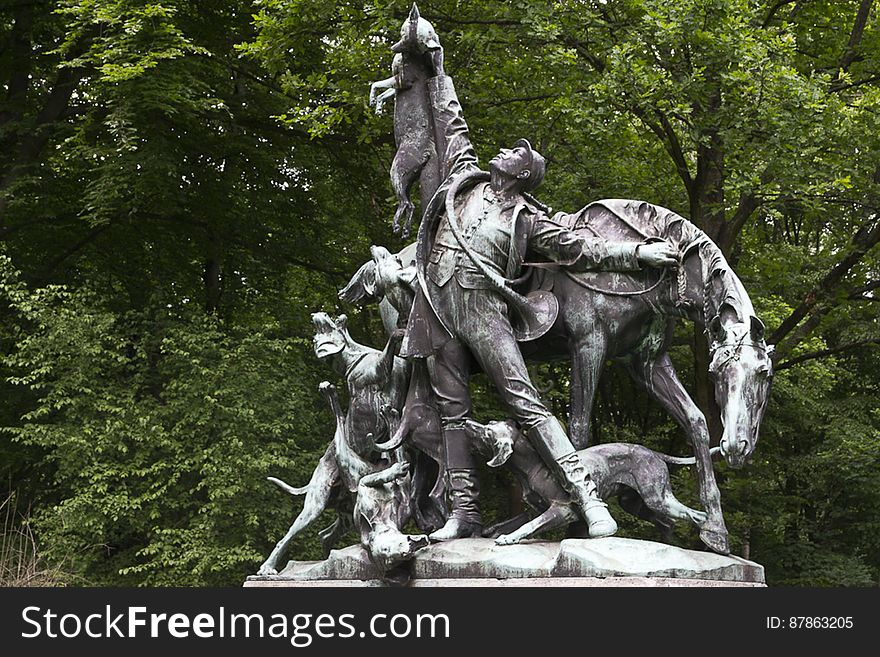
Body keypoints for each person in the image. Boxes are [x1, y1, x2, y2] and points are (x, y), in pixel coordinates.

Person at [399, 59, 678, 542]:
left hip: (484, 308)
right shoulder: (465, 179)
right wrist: (440, 67)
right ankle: (464, 514)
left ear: (522, 174)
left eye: (513, 153)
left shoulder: (527, 219)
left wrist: (638, 252)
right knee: (453, 412)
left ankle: (588, 499)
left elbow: (582, 248)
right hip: (437, 308)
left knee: (525, 402)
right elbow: (450, 118)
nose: (503, 151)